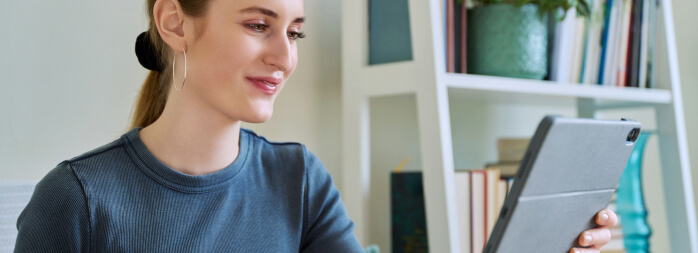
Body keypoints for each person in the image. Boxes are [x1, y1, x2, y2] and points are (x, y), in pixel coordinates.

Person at [13, 0, 618, 252]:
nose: (285, 57)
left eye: (295, 32)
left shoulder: (296, 179)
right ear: (174, 23)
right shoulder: (77, 201)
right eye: (258, 24)